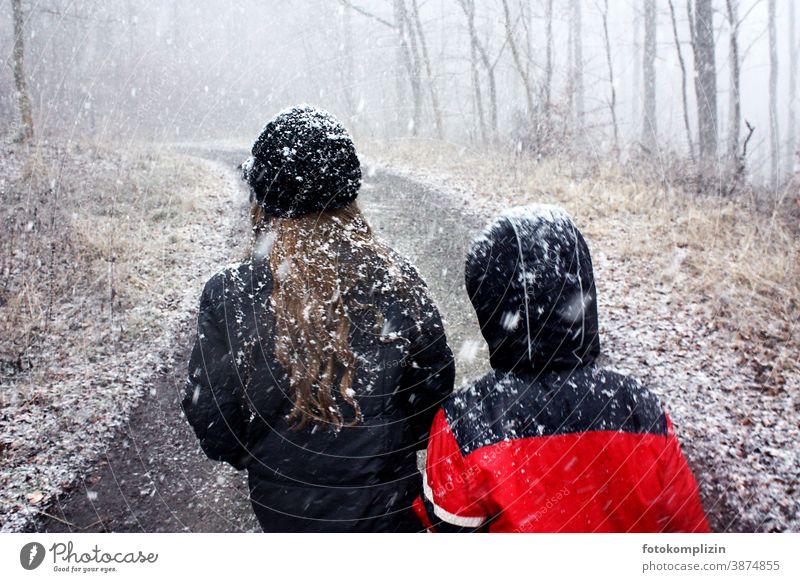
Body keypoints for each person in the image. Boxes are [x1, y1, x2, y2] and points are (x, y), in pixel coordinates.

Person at [181, 105, 455, 532]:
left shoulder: (231, 292)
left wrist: (269, 457)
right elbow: (432, 404)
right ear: (349, 193)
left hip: (285, 515)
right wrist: (382, 449)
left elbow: (215, 422)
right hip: (389, 516)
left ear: (264, 198)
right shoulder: (398, 281)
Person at [414, 205, 710, 532]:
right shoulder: (638, 407)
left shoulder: (466, 422)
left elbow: (447, 534)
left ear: (489, 305)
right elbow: (686, 526)